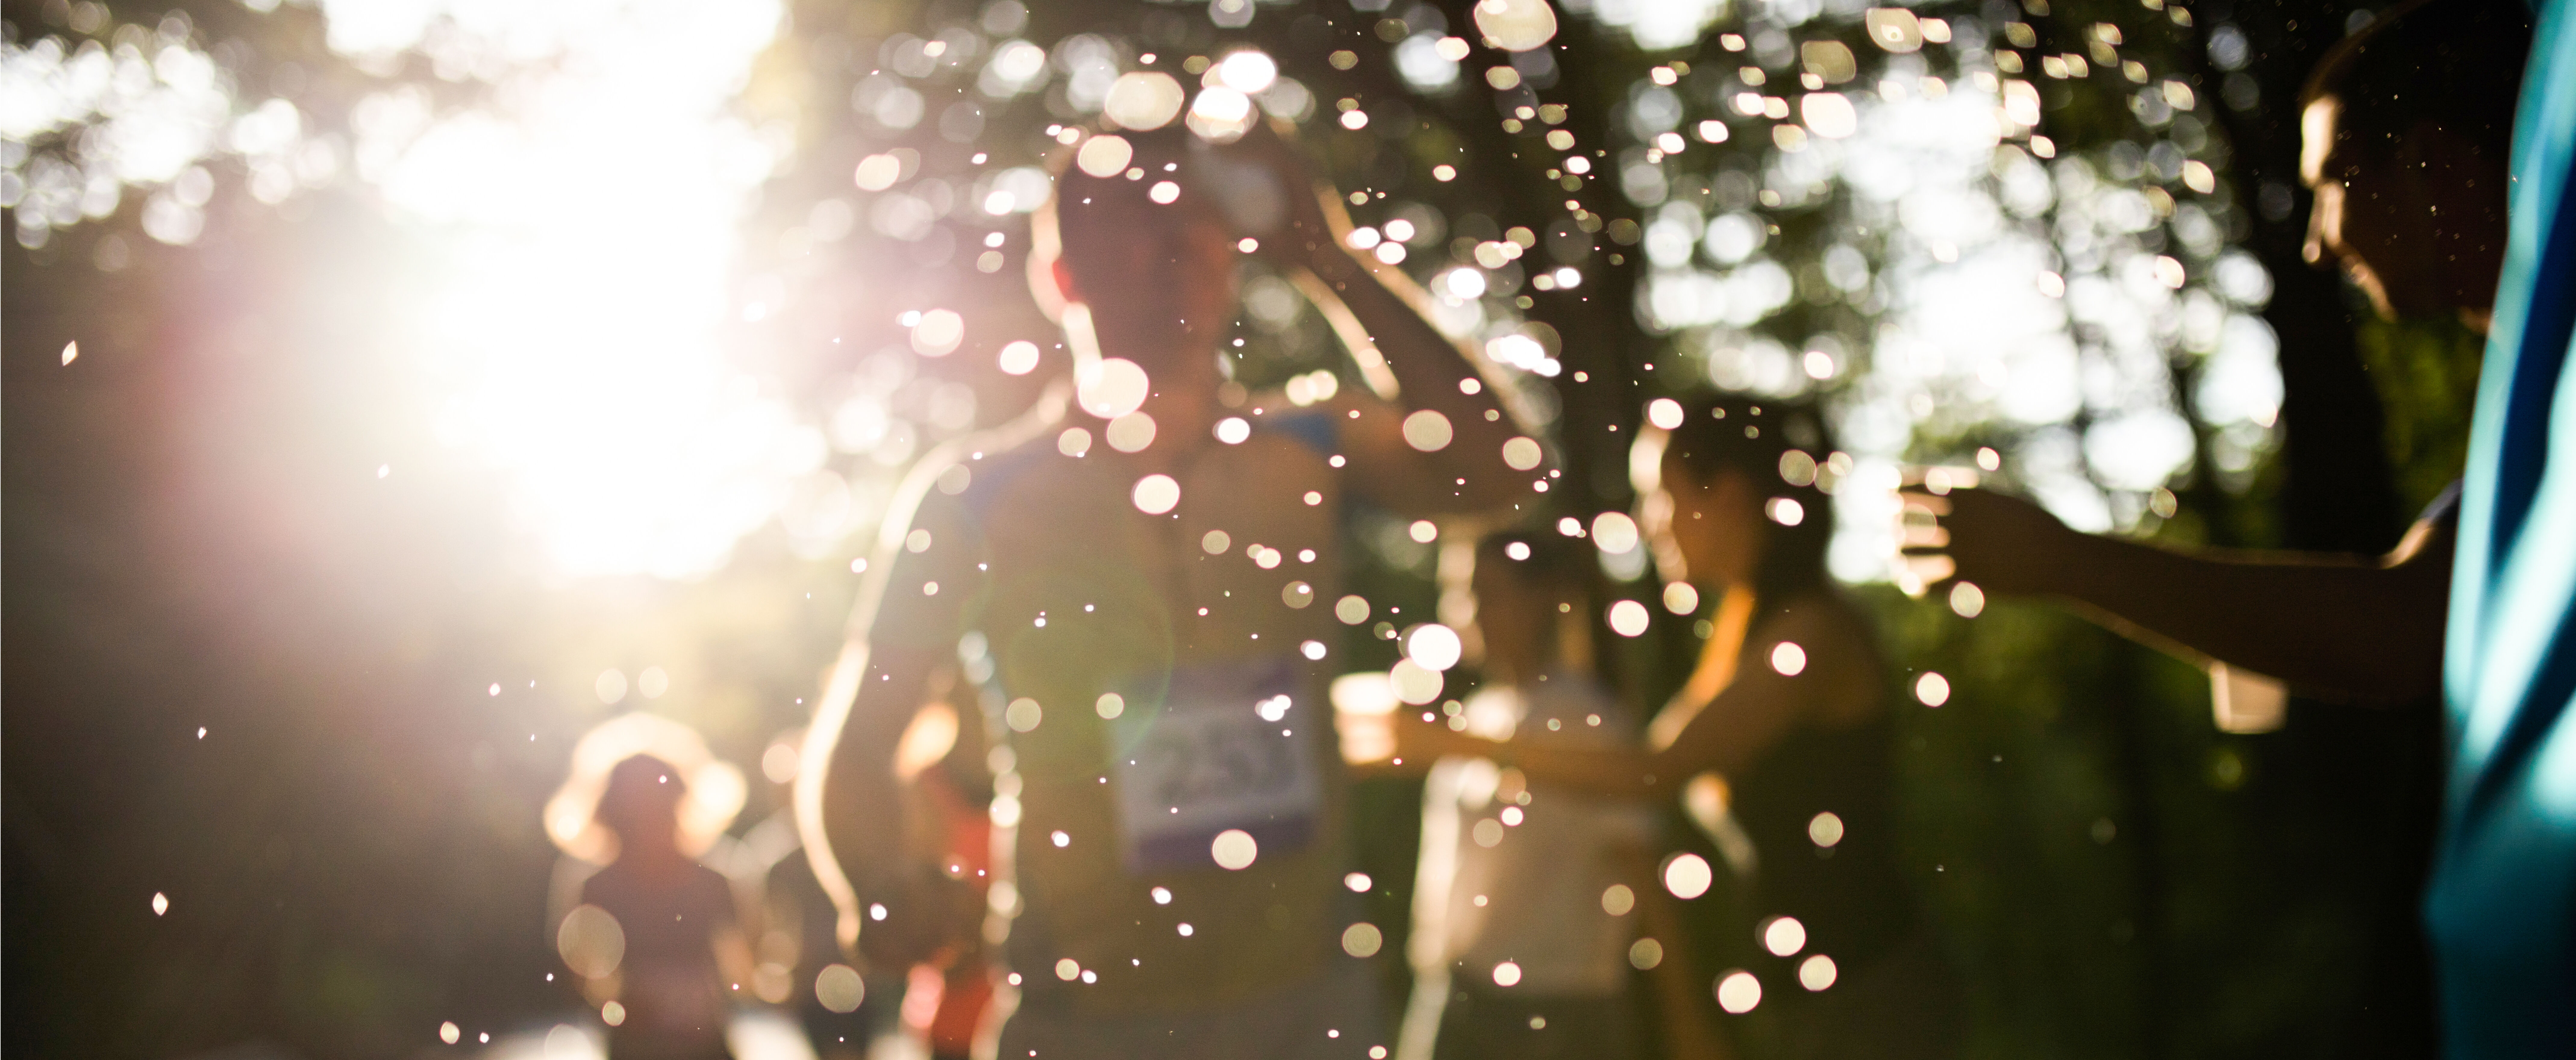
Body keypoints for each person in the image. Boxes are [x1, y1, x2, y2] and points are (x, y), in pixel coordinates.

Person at [797, 114, 1546, 1060]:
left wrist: (1331, 257)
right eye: (1132, 208)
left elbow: (1503, 471)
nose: (1175, 231)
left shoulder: (1309, 449)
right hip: (1084, 1023)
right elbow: (863, 737)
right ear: (1061, 276)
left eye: (1195, 207)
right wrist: (876, 884)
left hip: (1311, 1007)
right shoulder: (975, 497)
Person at [1909, 1, 2576, 1052]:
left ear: (2436, 167)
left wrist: (2065, 562)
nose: (2316, 242)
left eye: (2331, 186)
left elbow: (2401, 626)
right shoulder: (2527, 411)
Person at [1381, 397, 1955, 1060]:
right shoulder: (1755, 626)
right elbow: (1647, 761)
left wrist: (1454, 746)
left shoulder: (1807, 635)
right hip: (1824, 983)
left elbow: (1652, 773)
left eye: (1663, 496)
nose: (1649, 523)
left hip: (1866, 988)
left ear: (1732, 497)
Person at [1378, 530, 1655, 1060]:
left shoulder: (1581, 715)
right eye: (1461, 594)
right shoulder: (1483, 711)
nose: (1470, 612)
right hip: (1460, 989)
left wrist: (1686, 1018)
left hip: (1550, 1005)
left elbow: (1637, 862)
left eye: (1489, 593)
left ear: (1542, 600)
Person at [574, 754, 754, 1060]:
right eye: (637, 810)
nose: (649, 821)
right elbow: (587, 979)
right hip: (637, 1045)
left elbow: (744, 972)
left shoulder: (713, 884)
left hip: (703, 1044)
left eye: (657, 806)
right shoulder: (598, 890)